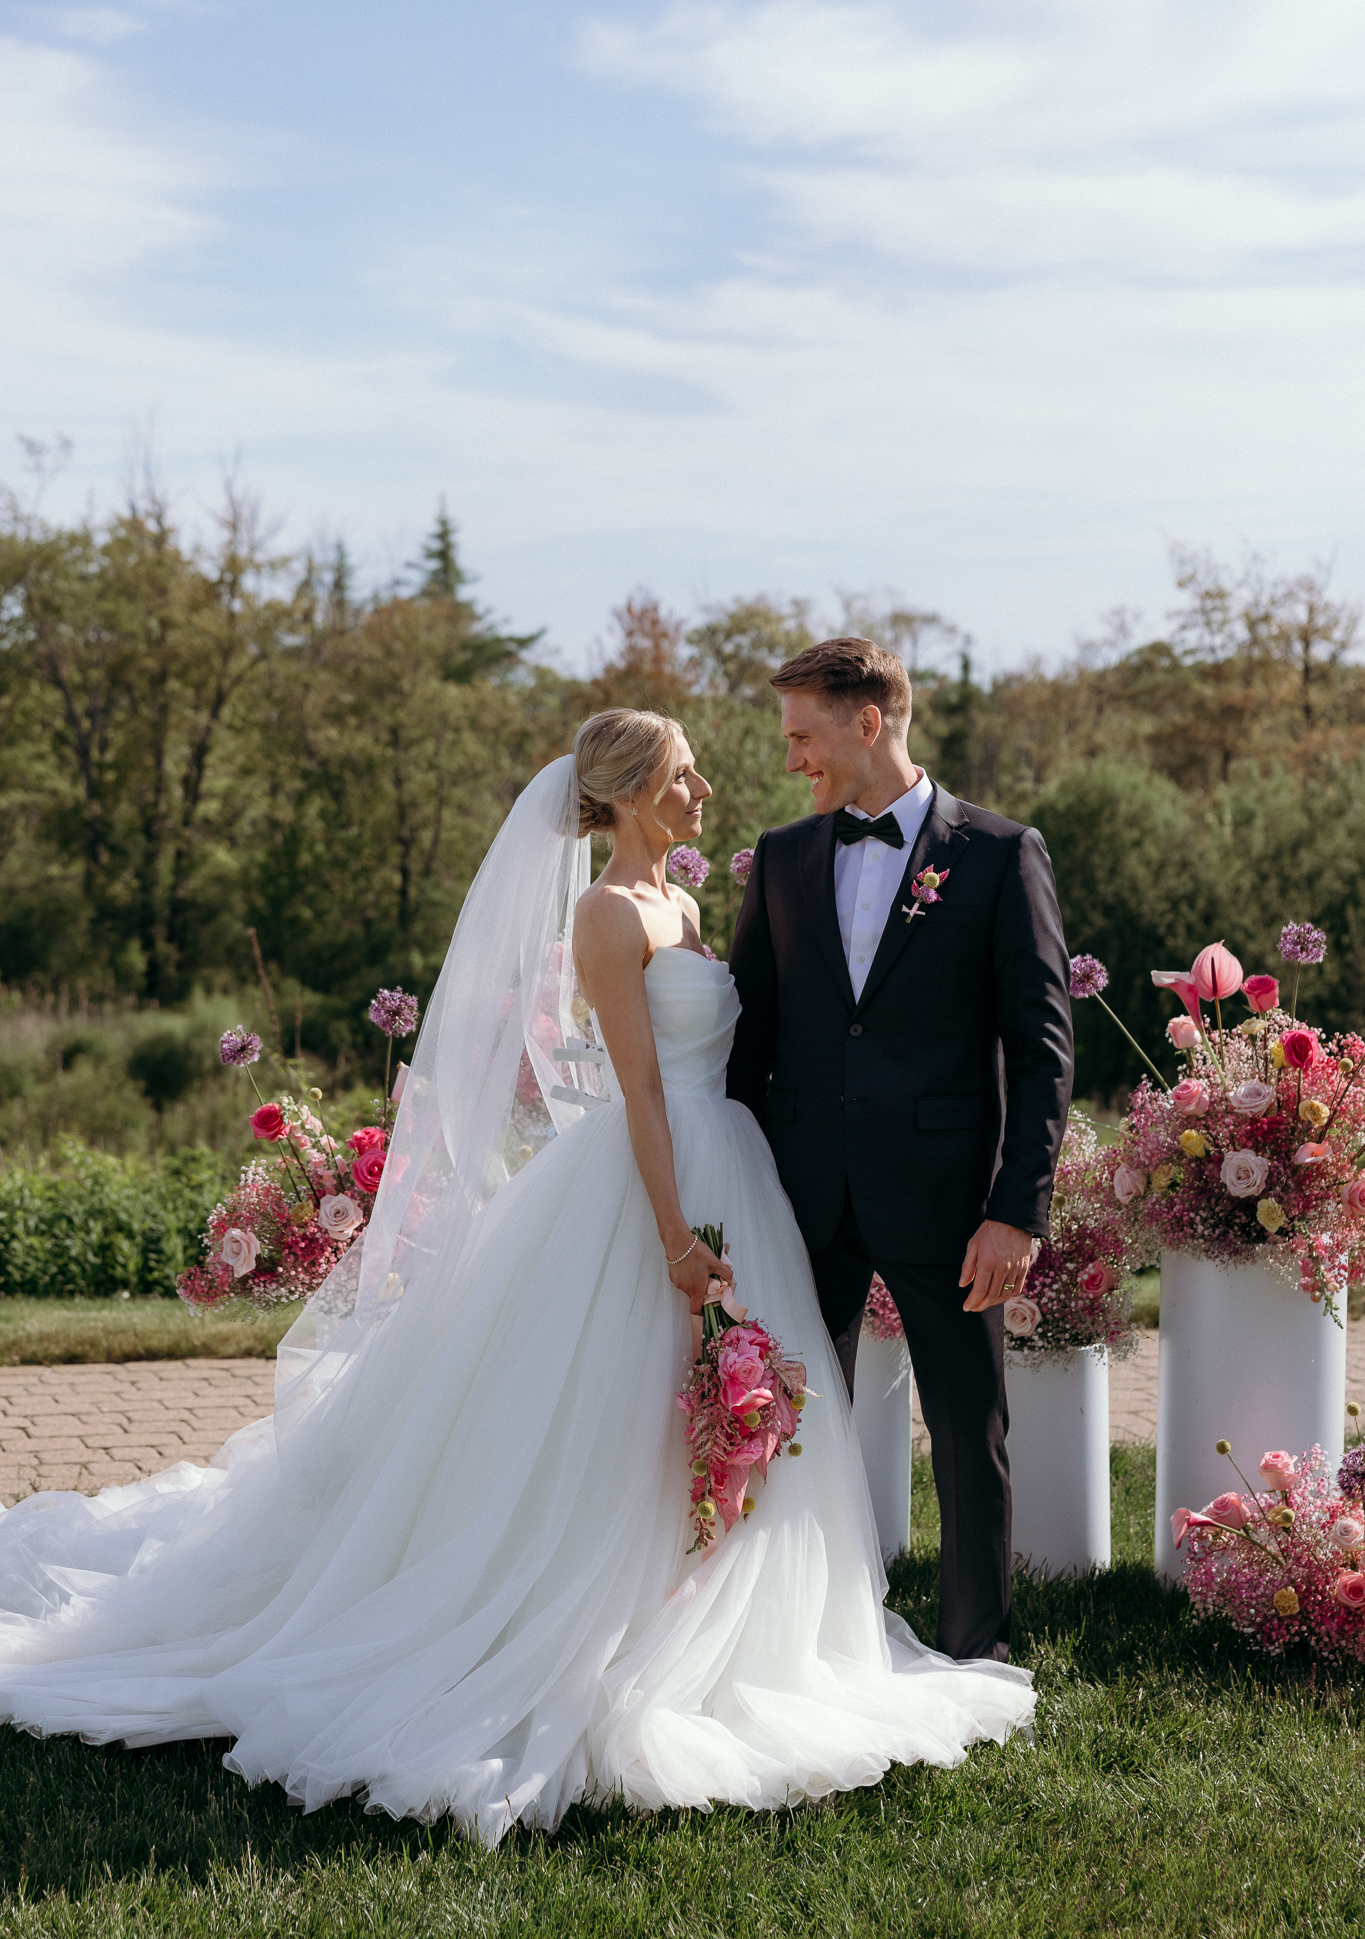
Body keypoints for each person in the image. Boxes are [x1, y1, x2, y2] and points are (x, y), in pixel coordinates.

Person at [0, 709, 1033, 1846]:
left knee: (732, 1411)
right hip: (659, 1182)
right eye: (685, 774)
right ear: (638, 788)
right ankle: (594, 1622)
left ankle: (726, 1618)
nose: (704, 788)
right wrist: (677, 1235)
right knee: (623, 1418)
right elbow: (640, 1091)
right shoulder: (601, 915)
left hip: (737, 1168)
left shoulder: (685, 905)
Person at [727, 639, 1073, 1662]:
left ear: (867, 721)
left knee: (969, 1432)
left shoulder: (1004, 854)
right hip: (802, 1197)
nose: (793, 760)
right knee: (784, 1429)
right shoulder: (783, 857)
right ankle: (789, 1644)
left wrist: (1018, 1208)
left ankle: (977, 1648)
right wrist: (729, 1192)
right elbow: (750, 1039)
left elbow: (1043, 1045)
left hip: (949, 1200)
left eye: (803, 735)